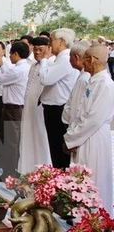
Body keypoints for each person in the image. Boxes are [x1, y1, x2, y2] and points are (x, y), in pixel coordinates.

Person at [64, 45, 114, 216]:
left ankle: (96, 218)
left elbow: (93, 119)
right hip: (83, 136)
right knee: (80, 178)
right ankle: (80, 217)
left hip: (94, 137)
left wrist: (71, 139)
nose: (82, 62)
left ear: (92, 60)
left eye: (85, 58)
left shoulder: (106, 85)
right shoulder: (92, 81)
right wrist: (73, 137)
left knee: (94, 178)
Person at [0, 42, 30, 180]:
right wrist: (0, 65)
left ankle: (9, 173)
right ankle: (13, 169)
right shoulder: (22, 67)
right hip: (14, 108)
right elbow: (7, 73)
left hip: (13, 109)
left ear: (16, 54)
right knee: (12, 141)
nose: (9, 56)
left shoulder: (18, 69)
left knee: (10, 142)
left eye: (10, 53)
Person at [39, 28, 79, 169]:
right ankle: (59, 178)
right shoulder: (60, 58)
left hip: (58, 109)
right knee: (55, 148)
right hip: (54, 108)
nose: (49, 43)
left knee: (59, 149)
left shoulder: (65, 59)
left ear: (62, 41)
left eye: (52, 40)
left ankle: (61, 180)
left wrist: (44, 60)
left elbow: (45, 79)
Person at [17, 37, 53, 174]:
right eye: (35, 49)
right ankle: (27, 169)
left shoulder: (50, 64)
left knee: (41, 139)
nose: (37, 52)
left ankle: (44, 171)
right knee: (27, 137)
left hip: (40, 109)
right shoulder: (33, 65)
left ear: (48, 49)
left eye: (41, 50)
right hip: (28, 108)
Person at [62, 40, 92, 128]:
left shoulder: (83, 79)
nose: (69, 59)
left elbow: (77, 108)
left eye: (70, 56)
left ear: (76, 57)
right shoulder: (83, 76)